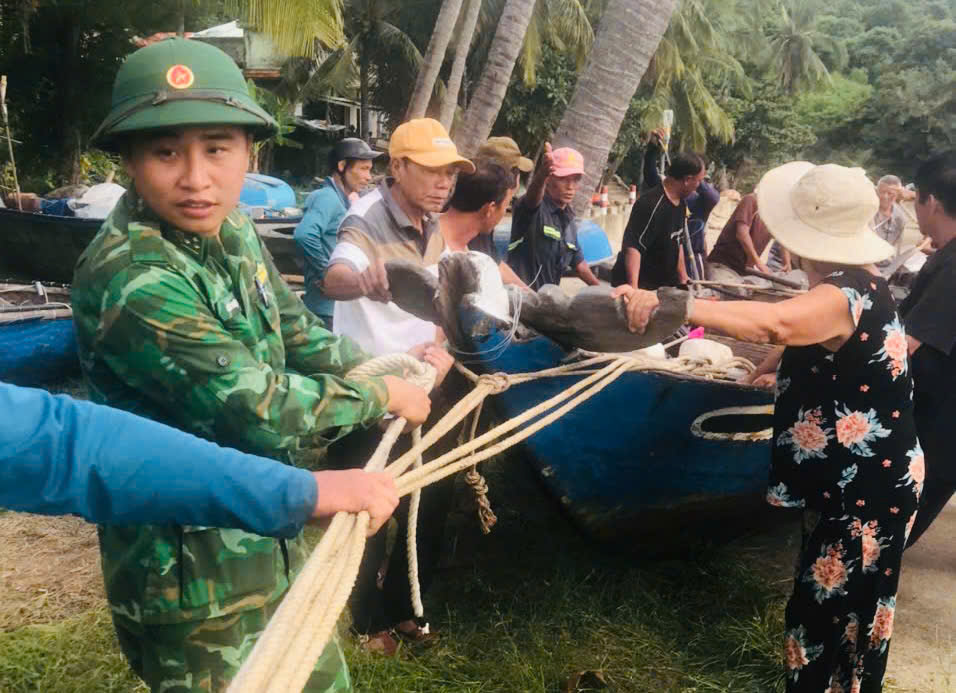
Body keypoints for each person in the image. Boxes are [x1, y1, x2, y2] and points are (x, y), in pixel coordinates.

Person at [71, 38, 431, 693]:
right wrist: (377, 397)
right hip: (189, 573)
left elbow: (293, 330)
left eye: (216, 147)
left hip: (271, 527)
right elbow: (254, 405)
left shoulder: (228, 227)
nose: (195, 177)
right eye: (164, 152)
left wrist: (382, 367)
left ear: (248, 151)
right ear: (128, 160)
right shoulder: (129, 277)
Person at [616, 162, 922, 693]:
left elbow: (777, 321)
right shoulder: (859, 284)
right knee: (846, 605)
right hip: (861, 478)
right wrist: (779, 363)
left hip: (866, 486)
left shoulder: (841, 292)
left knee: (827, 611)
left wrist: (674, 304)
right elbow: (814, 340)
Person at [323, 117, 466, 655]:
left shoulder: (434, 228)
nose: (443, 182)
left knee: (430, 499)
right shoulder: (365, 220)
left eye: (450, 172)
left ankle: (409, 609)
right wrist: (364, 280)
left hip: (422, 388)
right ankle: (365, 624)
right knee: (366, 514)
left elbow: (445, 303)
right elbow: (335, 275)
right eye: (430, 170)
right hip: (372, 395)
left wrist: (445, 350)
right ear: (398, 167)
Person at [1, 382, 397, 536]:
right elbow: (71, 446)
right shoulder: (129, 268)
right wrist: (378, 395)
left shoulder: (237, 236)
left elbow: (67, 440)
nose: (199, 192)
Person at [899, 151, 956, 546]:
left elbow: (904, 344)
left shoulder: (953, 266)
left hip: (940, 427)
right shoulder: (945, 258)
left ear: (931, 201)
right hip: (938, 419)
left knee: (887, 535)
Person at [294, 138, 382, 327]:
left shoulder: (342, 200)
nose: (369, 177)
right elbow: (304, 235)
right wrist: (325, 274)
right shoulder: (327, 197)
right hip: (324, 311)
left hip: (336, 308)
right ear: (342, 166)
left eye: (370, 169)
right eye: (364, 169)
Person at [506, 143, 601, 290]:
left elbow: (579, 264)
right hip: (520, 301)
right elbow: (531, 199)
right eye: (563, 179)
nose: (570, 186)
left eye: (575, 179)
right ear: (549, 180)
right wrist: (541, 176)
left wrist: (603, 292)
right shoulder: (532, 209)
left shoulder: (569, 221)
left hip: (546, 304)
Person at [610, 151, 705, 290]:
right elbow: (633, 247)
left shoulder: (681, 203)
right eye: (699, 181)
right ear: (687, 180)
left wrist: (683, 278)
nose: (699, 185)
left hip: (662, 286)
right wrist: (634, 290)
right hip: (641, 285)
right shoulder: (650, 204)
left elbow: (677, 241)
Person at [642, 131, 719, 278]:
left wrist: (697, 177)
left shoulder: (700, 201)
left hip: (692, 260)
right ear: (685, 179)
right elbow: (650, 175)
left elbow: (713, 197)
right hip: (666, 257)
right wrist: (653, 148)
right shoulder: (667, 193)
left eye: (700, 179)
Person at [706, 192, 773, 282]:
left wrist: (787, 264)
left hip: (744, 270)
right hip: (723, 265)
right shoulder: (752, 200)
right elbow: (742, 233)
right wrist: (759, 263)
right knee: (732, 291)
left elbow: (784, 239)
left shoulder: (774, 214)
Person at [871, 175, 908, 273]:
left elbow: (895, 248)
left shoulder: (900, 218)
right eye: (881, 192)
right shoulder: (868, 211)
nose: (884, 196)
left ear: (897, 195)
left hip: (886, 265)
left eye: (890, 193)